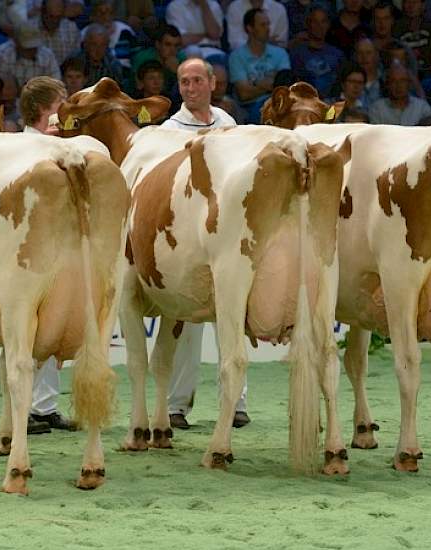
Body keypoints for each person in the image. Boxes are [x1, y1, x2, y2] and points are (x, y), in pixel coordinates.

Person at [161, 58, 249, 430]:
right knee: (184, 327)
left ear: (213, 83)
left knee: (233, 319)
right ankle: (176, 405)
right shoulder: (168, 129)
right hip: (185, 236)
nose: (190, 87)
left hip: (228, 233)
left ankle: (237, 401)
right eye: (184, 82)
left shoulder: (229, 124)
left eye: (197, 80)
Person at [18, 76, 77, 433]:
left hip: (59, 244)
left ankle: (45, 406)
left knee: (53, 326)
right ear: (43, 108)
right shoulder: (20, 147)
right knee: (26, 328)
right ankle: (22, 408)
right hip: (28, 249)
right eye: (61, 102)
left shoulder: (63, 146)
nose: (66, 108)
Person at [229, 8, 291, 124]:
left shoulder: (280, 53)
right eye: (263, 25)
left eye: (268, 24)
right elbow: (244, 94)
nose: (268, 29)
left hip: (279, 103)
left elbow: (284, 86)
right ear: (250, 28)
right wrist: (271, 85)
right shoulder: (237, 56)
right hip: (251, 108)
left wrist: (256, 84)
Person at [367, 62, 431, 126]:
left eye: (403, 81)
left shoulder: (422, 107)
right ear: (387, 84)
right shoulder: (377, 109)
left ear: (409, 84)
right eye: (393, 81)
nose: (398, 86)